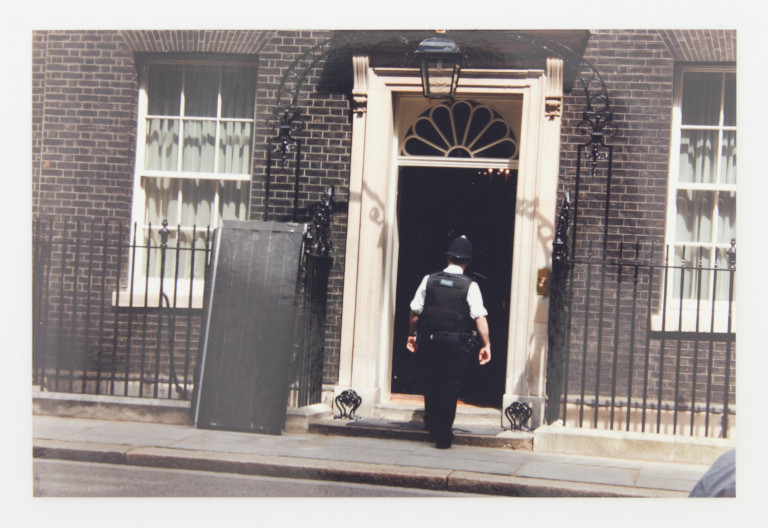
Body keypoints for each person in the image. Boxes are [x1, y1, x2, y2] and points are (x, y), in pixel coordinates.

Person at [406, 235, 491, 449]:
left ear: (447, 258)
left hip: (431, 340)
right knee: (450, 387)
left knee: (431, 381)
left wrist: (412, 334)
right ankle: (443, 435)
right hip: (457, 344)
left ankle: (431, 421)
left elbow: (415, 311)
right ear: (467, 262)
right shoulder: (470, 285)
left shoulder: (429, 279)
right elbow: (479, 317)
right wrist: (486, 344)